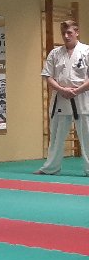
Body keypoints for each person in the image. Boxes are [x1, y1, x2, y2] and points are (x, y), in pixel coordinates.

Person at [37, 20, 89, 176]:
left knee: (87, 135)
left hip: (82, 97)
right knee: (56, 136)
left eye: (69, 33)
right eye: (63, 33)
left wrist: (77, 90)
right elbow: (48, 76)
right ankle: (51, 167)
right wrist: (61, 89)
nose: (66, 36)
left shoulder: (86, 51)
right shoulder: (55, 53)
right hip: (60, 97)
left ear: (77, 32)